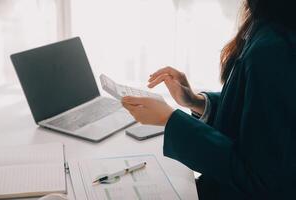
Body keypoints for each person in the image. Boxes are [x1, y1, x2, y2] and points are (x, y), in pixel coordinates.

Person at [122, 0, 296, 199]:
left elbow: (258, 179)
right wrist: (196, 102)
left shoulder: (274, 49)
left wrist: (170, 120)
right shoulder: (270, 25)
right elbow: (255, 112)